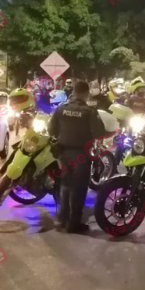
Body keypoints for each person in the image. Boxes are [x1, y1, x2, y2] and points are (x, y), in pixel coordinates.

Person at [48, 80, 106, 233]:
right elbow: (99, 133)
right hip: (81, 155)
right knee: (79, 188)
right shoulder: (89, 112)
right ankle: (73, 223)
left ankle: (61, 219)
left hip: (63, 154)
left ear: (74, 92)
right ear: (86, 93)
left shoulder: (61, 109)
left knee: (65, 186)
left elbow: (51, 130)